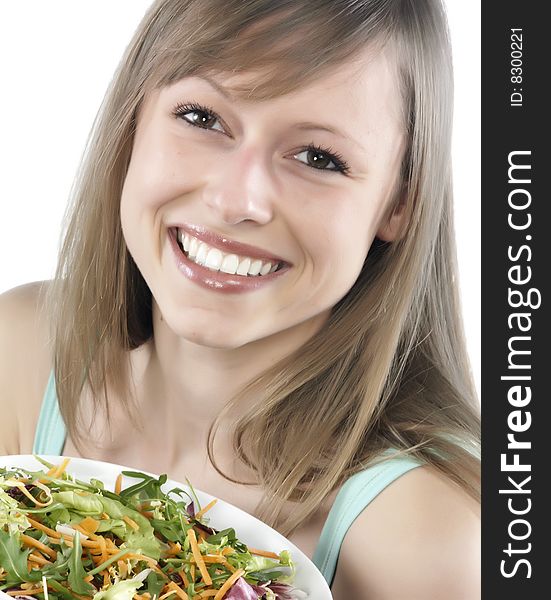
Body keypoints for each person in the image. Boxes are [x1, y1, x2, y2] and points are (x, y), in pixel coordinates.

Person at [0, 0, 481, 597]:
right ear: (134, 120)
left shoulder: (431, 535)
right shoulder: (22, 352)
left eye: (317, 158)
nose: (236, 200)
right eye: (202, 117)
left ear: (398, 204)